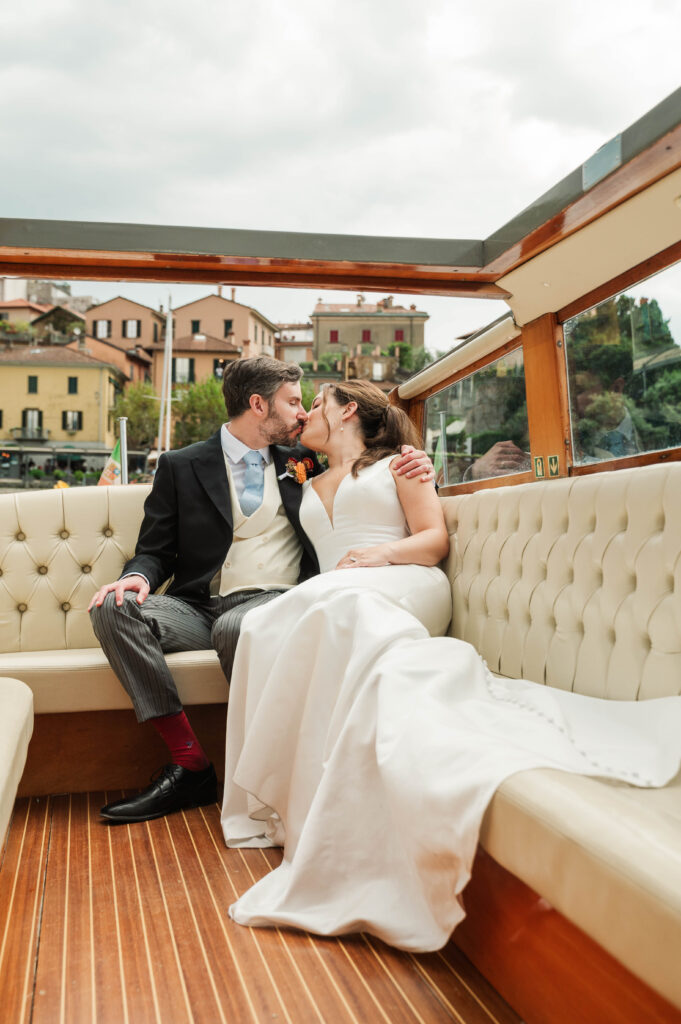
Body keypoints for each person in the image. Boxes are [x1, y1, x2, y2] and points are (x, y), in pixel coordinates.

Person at [220, 378, 681, 951]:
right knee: (264, 624)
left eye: (318, 403)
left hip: (405, 577)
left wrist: (380, 554)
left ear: (349, 414)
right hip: (340, 591)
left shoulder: (399, 468)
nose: (307, 413)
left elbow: (434, 539)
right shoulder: (304, 476)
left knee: (343, 609)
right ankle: (292, 797)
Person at [88, 357, 433, 825]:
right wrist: (139, 578)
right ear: (257, 404)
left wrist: (415, 458)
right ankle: (189, 763)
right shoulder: (180, 465)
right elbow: (154, 550)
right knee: (113, 607)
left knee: (239, 626)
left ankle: (264, 774)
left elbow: (367, 470)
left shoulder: (305, 460)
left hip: (274, 598)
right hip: (196, 606)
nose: (302, 414)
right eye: (293, 402)